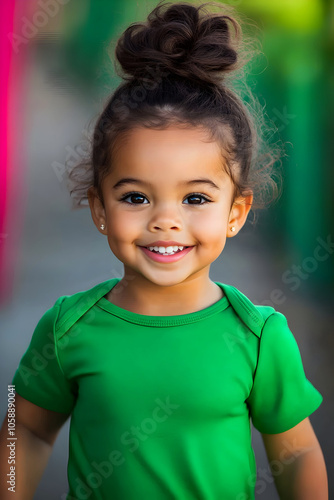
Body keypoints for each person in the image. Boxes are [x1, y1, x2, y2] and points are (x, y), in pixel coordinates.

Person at [0, 1, 328, 499]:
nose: (165, 219)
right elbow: (22, 427)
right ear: (99, 208)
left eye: (196, 198)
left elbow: (296, 452)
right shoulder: (68, 328)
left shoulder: (260, 337)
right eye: (136, 197)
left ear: (236, 213)